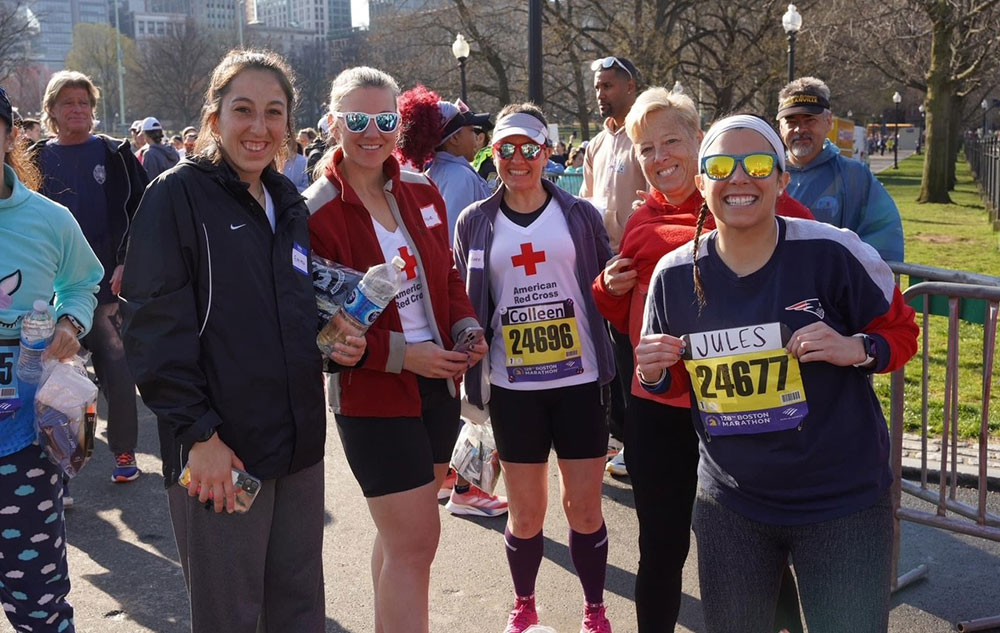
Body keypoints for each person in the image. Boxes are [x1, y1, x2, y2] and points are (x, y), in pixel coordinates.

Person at [635, 114, 918, 633]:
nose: (739, 178)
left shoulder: (832, 251)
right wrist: (654, 373)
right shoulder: (673, 275)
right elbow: (676, 382)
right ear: (702, 183)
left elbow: (902, 333)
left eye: (758, 164)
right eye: (720, 166)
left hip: (842, 501)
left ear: (782, 179)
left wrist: (855, 347)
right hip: (732, 506)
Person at [121, 50, 362, 633]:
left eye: (273, 113)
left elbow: (285, 309)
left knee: (299, 609)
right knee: (230, 616)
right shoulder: (175, 196)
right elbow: (153, 331)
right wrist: (198, 433)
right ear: (214, 118)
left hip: (300, 444)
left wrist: (330, 343)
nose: (259, 128)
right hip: (221, 449)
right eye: (243, 110)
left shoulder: (287, 201)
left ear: (288, 122)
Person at [592, 91, 814, 633]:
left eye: (672, 140)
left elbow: (818, 263)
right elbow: (629, 320)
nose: (660, 156)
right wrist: (607, 287)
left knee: (760, 543)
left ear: (700, 140)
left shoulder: (749, 198)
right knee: (662, 545)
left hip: (744, 401)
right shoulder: (642, 219)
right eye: (647, 147)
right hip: (660, 406)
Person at [305, 66, 487, 633]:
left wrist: (464, 325)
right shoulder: (313, 212)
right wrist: (405, 355)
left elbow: (446, 275)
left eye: (384, 119)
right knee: (416, 542)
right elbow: (321, 329)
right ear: (333, 123)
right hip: (371, 393)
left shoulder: (419, 186)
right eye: (355, 119)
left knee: (401, 540)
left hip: (437, 382)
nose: (370, 132)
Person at [454, 103, 615, 633]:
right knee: (525, 513)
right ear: (492, 152)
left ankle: (595, 610)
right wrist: (467, 335)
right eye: (506, 148)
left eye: (530, 148)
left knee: (585, 509)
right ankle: (524, 605)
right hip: (513, 385)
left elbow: (607, 286)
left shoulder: (580, 215)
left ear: (547, 152)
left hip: (579, 381)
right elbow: (462, 297)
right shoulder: (475, 221)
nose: (518, 159)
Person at [0, 84, 103, 633]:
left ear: (11, 135)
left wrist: (70, 322)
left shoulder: (48, 219)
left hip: (22, 442)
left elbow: (84, 282)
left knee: (38, 603)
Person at [394, 85, 507, 517]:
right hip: (465, 304)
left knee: (461, 397)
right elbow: (464, 249)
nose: (474, 135)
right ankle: (468, 487)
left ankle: (450, 479)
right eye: (466, 129)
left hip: (439, 307)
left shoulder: (426, 175)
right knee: (478, 399)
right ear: (448, 137)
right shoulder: (457, 176)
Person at [30, 70, 148, 484]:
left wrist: (126, 260)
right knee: (53, 379)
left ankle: (124, 452)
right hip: (50, 290)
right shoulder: (34, 158)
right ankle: (61, 464)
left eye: (84, 102)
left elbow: (143, 211)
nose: (77, 109)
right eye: (68, 103)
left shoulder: (115, 155)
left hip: (105, 286)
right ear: (51, 112)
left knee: (116, 369)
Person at [580, 55, 647, 477]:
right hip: (603, 266)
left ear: (630, 87)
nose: (600, 95)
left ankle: (640, 443)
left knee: (633, 357)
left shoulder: (645, 135)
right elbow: (587, 202)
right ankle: (622, 435)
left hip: (637, 266)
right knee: (611, 356)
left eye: (608, 86)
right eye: (597, 88)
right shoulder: (596, 143)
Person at [777, 77, 904, 262]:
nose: (800, 129)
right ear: (780, 127)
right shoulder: (762, 175)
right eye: (791, 121)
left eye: (809, 120)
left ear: (828, 122)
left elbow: (884, 240)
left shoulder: (856, 177)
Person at [397, 86, 494, 240]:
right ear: (454, 138)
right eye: (471, 131)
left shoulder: (436, 173)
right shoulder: (459, 176)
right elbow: (453, 237)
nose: (475, 137)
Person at [139, 116, 180, 180]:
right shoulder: (172, 150)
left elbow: (150, 180)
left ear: (146, 134)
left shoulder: (150, 154)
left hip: (160, 189)